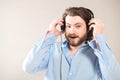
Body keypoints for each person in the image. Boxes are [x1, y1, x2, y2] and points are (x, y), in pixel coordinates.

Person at [22, 7, 120, 80]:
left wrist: (99, 38)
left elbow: (114, 77)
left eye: (78, 26)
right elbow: (29, 67)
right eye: (68, 26)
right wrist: (50, 35)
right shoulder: (52, 49)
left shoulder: (99, 53)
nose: (71, 31)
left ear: (89, 28)